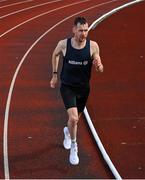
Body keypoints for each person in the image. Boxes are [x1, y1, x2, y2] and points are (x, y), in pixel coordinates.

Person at [50, 17, 103, 165]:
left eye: (86, 30)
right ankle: (74, 145)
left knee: (74, 121)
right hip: (67, 87)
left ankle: (67, 131)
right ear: (74, 30)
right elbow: (54, 54)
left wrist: (99, 66)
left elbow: (100, 65)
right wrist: (55, 75)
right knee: (73, 119)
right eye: (80, 30)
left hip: (83, 89)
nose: (84, 33)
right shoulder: (64, 44)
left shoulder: (93, 46)